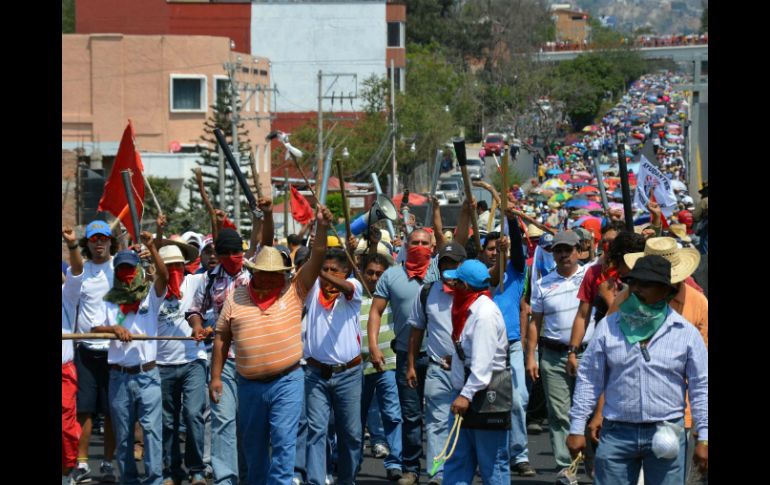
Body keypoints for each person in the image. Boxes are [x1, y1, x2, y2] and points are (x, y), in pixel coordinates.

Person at [209, 205, 332, 484]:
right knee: (253, 450)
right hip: (248, 384)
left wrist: (322, 228)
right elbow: (221, 338)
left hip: (287, 380)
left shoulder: (295, 289)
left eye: (276, 272)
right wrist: (216, 376)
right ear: (254, 272)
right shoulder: (236, 297)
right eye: (264, 271)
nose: (271, 276)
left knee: (284, 445)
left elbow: (318, 256)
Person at [567, 255, 708, 484]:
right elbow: (589, 379)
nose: (636, 289)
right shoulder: (608, 328)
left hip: (666, 433)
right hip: (616, 433)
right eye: (633, 283)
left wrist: (704, 438)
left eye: (645, 284)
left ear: (665, 290)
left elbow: (701, 387)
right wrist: (576, 427)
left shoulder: (685, 333)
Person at [91, 233, 169, 485]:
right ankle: (128, 480)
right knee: (124, 435)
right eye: (121, 268)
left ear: (137, 270)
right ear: (116, 271)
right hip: (119, 376)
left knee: (152, 433)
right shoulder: (110, 301)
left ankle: (155, 480)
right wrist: (113, 329)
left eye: (130, 268)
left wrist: (151, 247)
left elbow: (164, 276)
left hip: (148, 375)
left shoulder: (150, 295)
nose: (126, 273)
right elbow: (93, 329)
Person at [368, 228, 435, 485]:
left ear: (432, 246)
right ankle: (410, 468)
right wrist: (374, 346)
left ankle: (439, 470)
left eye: (424, 243)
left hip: (439, 356)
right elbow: (376, 311)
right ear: (406, 245)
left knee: (439, 415)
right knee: (411, 416)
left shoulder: (440, 272)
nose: (419, 246)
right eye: (414, 242)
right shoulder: (391, 275)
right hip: (406, 356)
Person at [442, 259, 511, 484]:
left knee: (492, 464)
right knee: (458, 459)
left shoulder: (484, 314)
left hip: (482, 395)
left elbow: (482, 367)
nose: (451, 286)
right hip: (467, 392)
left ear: (465, 286)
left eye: (456, 282)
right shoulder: (470, 308)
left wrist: (465, 395)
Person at [526, 231, 590, 469]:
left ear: (578, 251)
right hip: (552, 357)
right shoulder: (543, 284)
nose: (563, 254)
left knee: (588, 411)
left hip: (586, 354)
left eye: (568, 249)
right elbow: (535, 322)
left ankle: (591, 464)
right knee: (559, 413)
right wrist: (531, 356)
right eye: (558, 250)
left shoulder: (590, 276)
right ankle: (567, 467)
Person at [405, 241, 466, 484]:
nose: (449, 271)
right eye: (445, 265)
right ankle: (437, 473)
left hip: (468, 372)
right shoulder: (427, 292)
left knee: (465, 426)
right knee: (436, 424)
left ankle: (460, 472)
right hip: (437, 369)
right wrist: (411, 364)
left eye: (455, 265)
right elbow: (416, 331)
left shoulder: (474, 292)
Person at [154, 221, 209, 485]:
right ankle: (169, 470)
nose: (174, 270)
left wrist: (215, 219)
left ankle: (196, 468)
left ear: (185, 265)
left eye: (178, 265)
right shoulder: (151, 292)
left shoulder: (196, 282)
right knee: (167, 422)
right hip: (162, 364)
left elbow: (217, 258)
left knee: (193, 415)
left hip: (192, 361)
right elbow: (126, 316)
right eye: (169, 266)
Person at [304, 247, 364, 485]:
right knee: (316, 432)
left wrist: (318, 271)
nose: (328, 275)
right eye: (325, 269)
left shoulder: (353, 288)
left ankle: (347, 480)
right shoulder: (312, 289)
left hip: (348, 374)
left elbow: (347, 287)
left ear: (346, 272)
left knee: (351, 436)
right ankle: (317, 481)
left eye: (333, 271)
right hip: (316, 374)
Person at [67, 220, 118, 484]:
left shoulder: (122, 267)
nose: (99, 243)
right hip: (85, 349)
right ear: (87, 243)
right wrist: (71, 243)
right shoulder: (80, 271)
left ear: (111, 241)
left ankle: (108, 463)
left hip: (115, 350)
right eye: (94, 239)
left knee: (111, 410)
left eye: (103, 238)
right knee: (84, 410)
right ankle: (83, 463)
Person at [488, 210, 536, 477]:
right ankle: (492, 456)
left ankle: (519, 454)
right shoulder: (478, 276)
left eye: (498, 248)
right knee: (489, 403)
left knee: (518, 400)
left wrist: (514, 228)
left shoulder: (517, 271)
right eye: (490, 249)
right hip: (486, 350)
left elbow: (517, 253)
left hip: (514, 345)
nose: (495, 252)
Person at [358, 253, 403, 481]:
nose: (374, 277)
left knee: (393, 415)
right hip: (357, 367)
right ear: (362, 272)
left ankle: (395, 462)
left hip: (388, 364)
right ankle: (350, 462)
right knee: (356, 418)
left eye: (379, 273)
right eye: (370, 273)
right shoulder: (353, 294)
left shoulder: (392, 296)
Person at [62, 227, 83, 483]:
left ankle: (66, 474)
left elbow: (77, 270)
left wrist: (72, 245)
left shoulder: (67, 295)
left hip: (64, 372)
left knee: (66, 429)